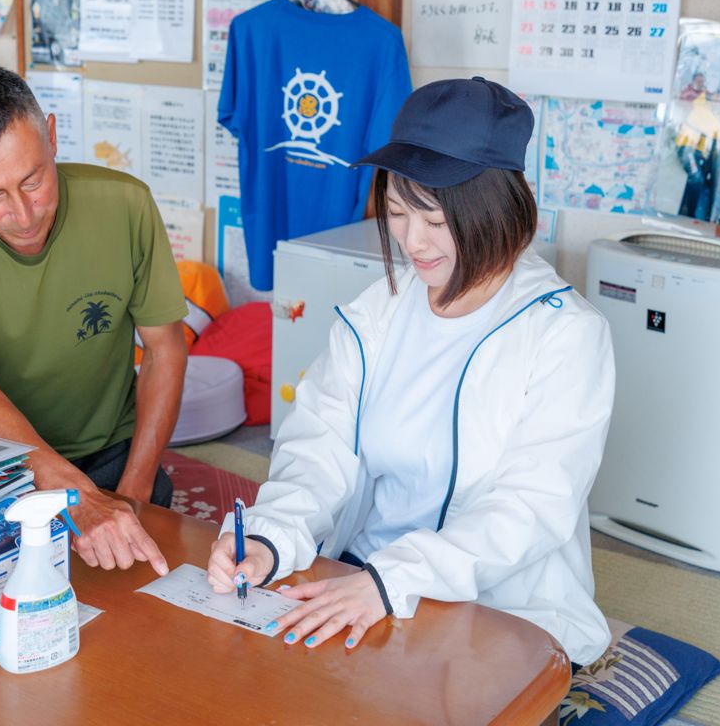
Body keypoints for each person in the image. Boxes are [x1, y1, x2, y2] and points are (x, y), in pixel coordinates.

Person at [206, 77, 615, 666]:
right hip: (363, 579)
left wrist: (389, 581)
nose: (411, 241)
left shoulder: (566, 333)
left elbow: (530, 508)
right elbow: (319, 448)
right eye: (397, 212)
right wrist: (270, 537)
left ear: (494, 210)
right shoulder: (377, 314)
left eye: (435, 221)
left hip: (504, 606)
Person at [0, 65, 187, 577]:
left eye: (33, 181)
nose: (24, 215)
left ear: (51, 136)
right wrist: (72, 495)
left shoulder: (125, 204)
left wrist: (131, 496)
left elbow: (164, 348)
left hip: (112, 452)